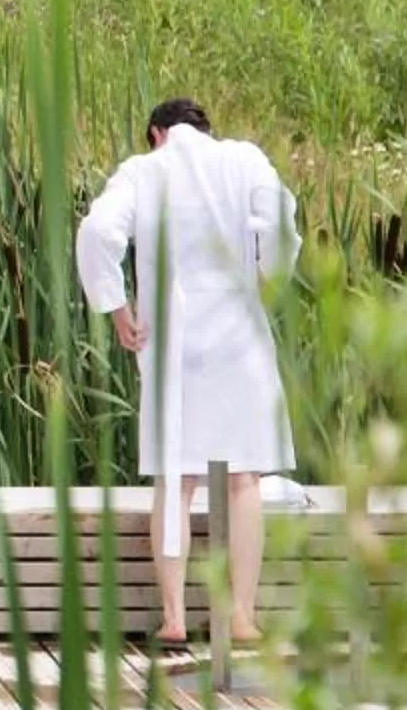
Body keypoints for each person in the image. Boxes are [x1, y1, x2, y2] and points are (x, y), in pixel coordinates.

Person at [74, 98, 300, 646]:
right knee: (243, 478)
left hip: (173, 334)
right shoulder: (244, 160)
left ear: (156, 133)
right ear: (205, 128)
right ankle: (241, 616)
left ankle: (174, 617)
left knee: (175, 479)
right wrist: (269, 276)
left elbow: (98, 230)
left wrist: (117, 308)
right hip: (239, 329)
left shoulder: (143, 171)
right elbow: (280, 219)